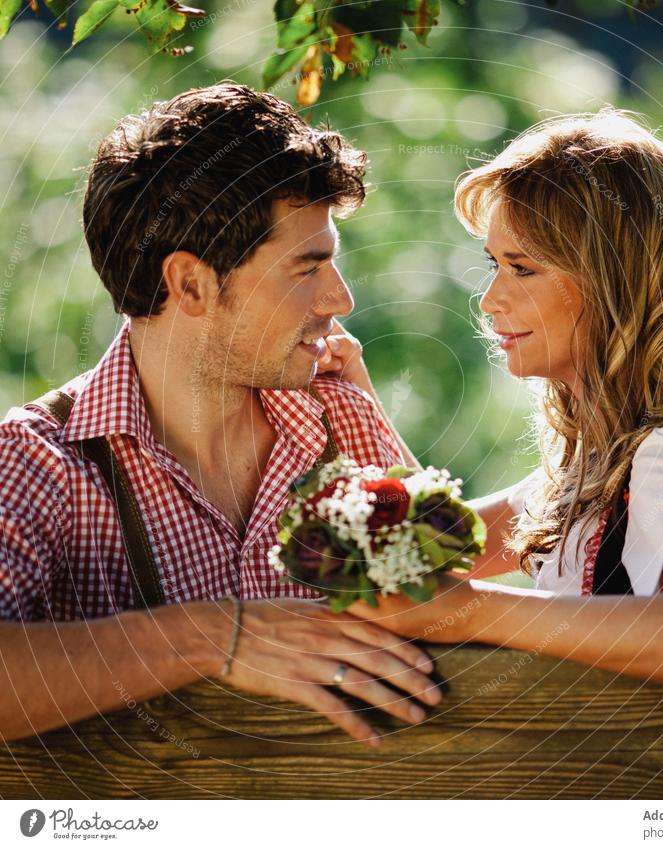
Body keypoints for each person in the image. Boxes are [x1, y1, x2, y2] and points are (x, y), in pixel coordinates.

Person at [0, 83, 442, 748]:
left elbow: (453, 621)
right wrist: (214, 634)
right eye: (307, 267)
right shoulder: (39, 461)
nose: (341, 298)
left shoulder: (343, 422)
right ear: (191, 285)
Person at [332, 109, 663, 691]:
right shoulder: (600, 468)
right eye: (494, 265)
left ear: (615, 280)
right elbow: (433, 550)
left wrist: (476, 612)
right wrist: (356, 402)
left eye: (523, 269)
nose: (490, 300)